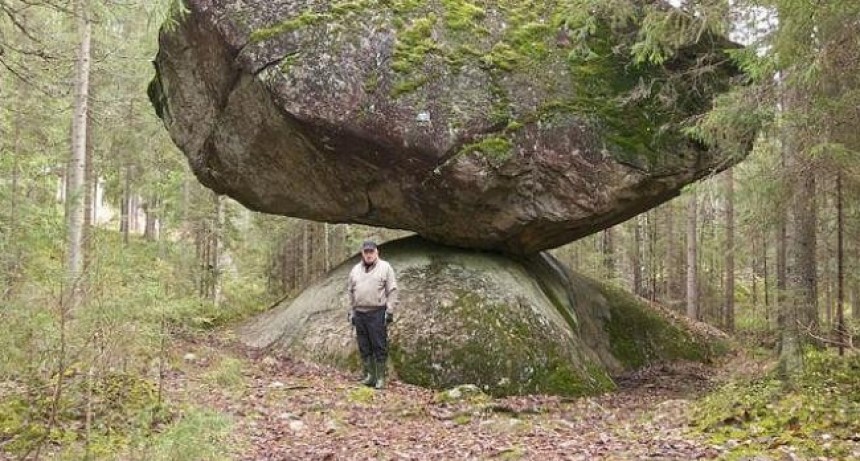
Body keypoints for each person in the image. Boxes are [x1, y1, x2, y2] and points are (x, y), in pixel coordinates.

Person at [347, 240, 398, 389]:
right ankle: (370, 376)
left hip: (377, 312)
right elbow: (350, 291)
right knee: (364, 345)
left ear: (377, 252)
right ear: (362, 253)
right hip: (360, 312)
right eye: (366, 252)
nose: (369, 255)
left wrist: (389, 310)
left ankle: (381, 378)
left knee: (379, 345)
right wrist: (351, 311)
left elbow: (392, 290)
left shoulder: (385, 267)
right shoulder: (355, 269)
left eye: (371, 252)